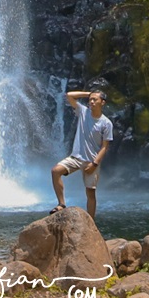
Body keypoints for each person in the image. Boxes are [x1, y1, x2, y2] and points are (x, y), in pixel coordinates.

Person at [51, 88, 114, 219]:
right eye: (90, 99)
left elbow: (104, 147)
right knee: (56, 171)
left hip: (91, 161)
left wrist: (95, 164)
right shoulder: (83, 112)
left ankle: (91, 223)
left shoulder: (106, 123)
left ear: (103, 102)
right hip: (76, 157)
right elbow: (69, 95)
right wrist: (88, 94)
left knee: (90, 193)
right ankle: (61, 204)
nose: (91, 101)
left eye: (95, 99)